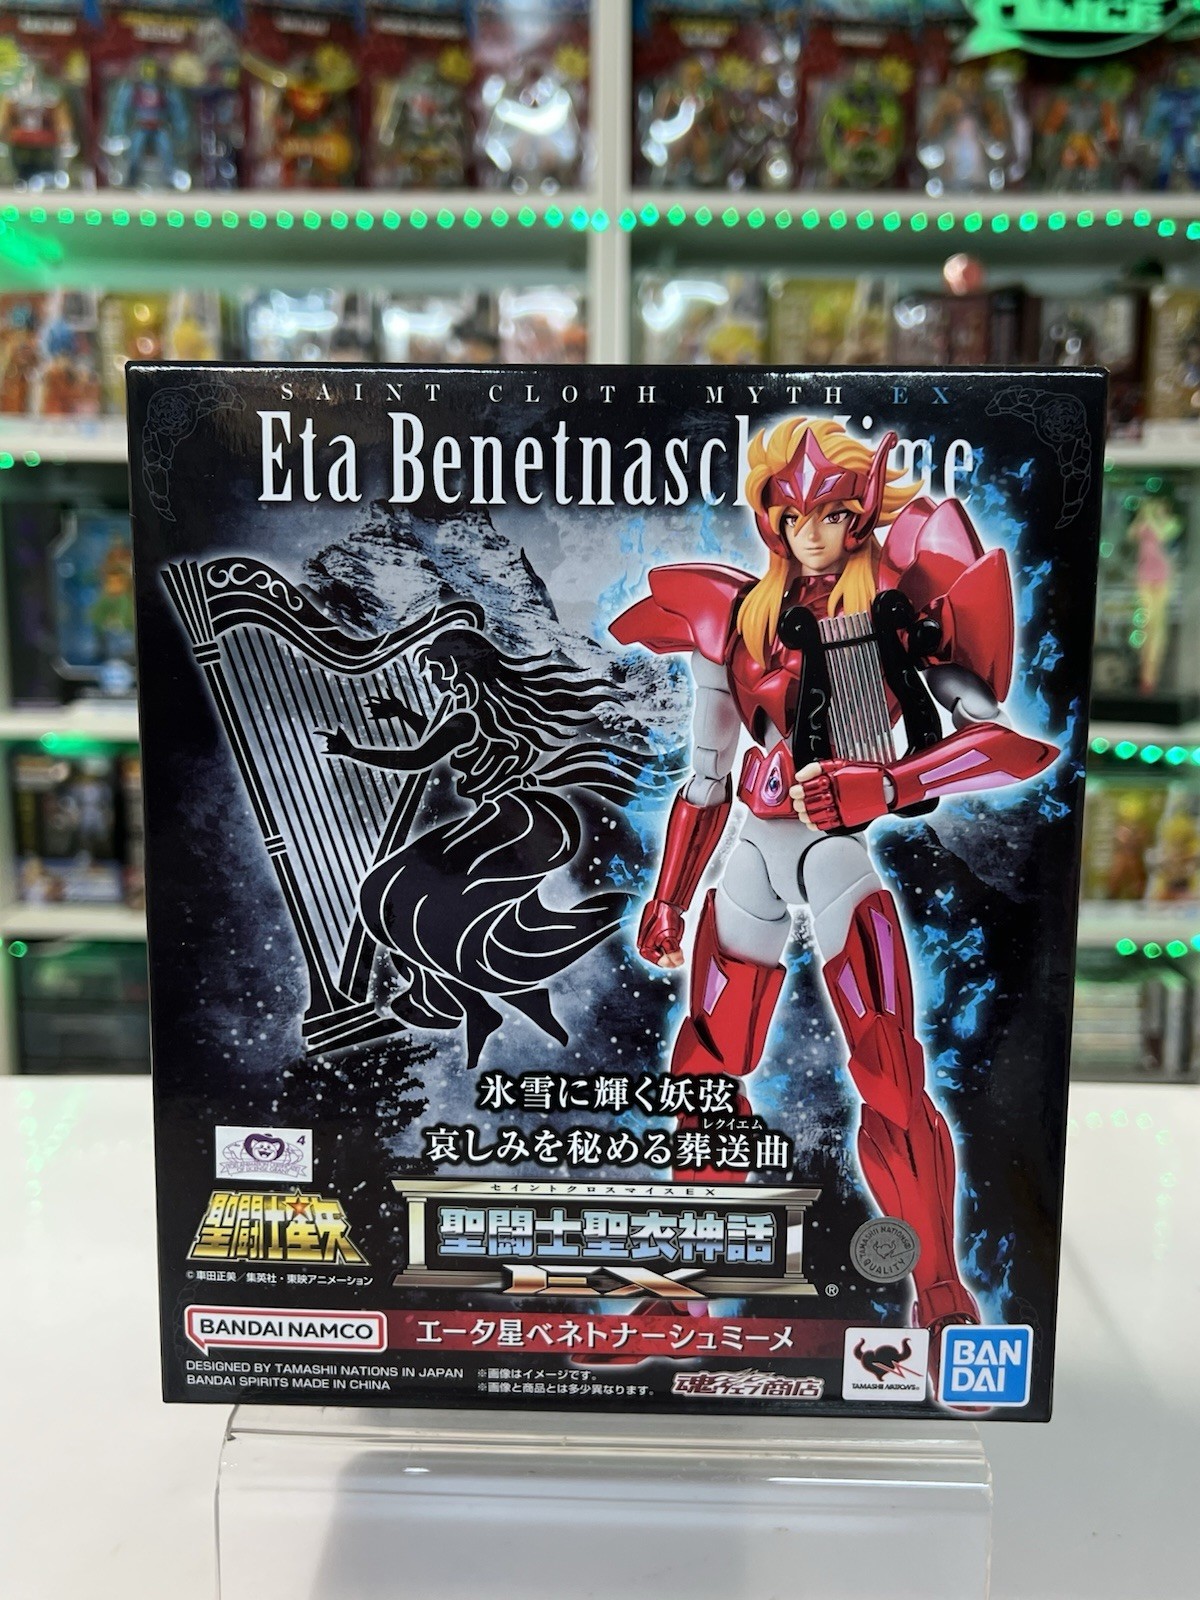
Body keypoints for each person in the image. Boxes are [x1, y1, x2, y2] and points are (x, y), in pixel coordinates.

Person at [611, 415, 1056, 1350]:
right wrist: (668, 895)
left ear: (862, 516)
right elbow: (707, 775)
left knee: (890, 1075)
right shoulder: (736, 618)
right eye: (791, 514)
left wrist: (888, 785)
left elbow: (1003, 745)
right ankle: (685, 1287)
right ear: (768, 516)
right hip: (751, 847)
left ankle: (938, 1288)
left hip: (835, 850)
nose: (810, 533)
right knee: (705, 1067)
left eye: (832, 514)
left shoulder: (896, 612)